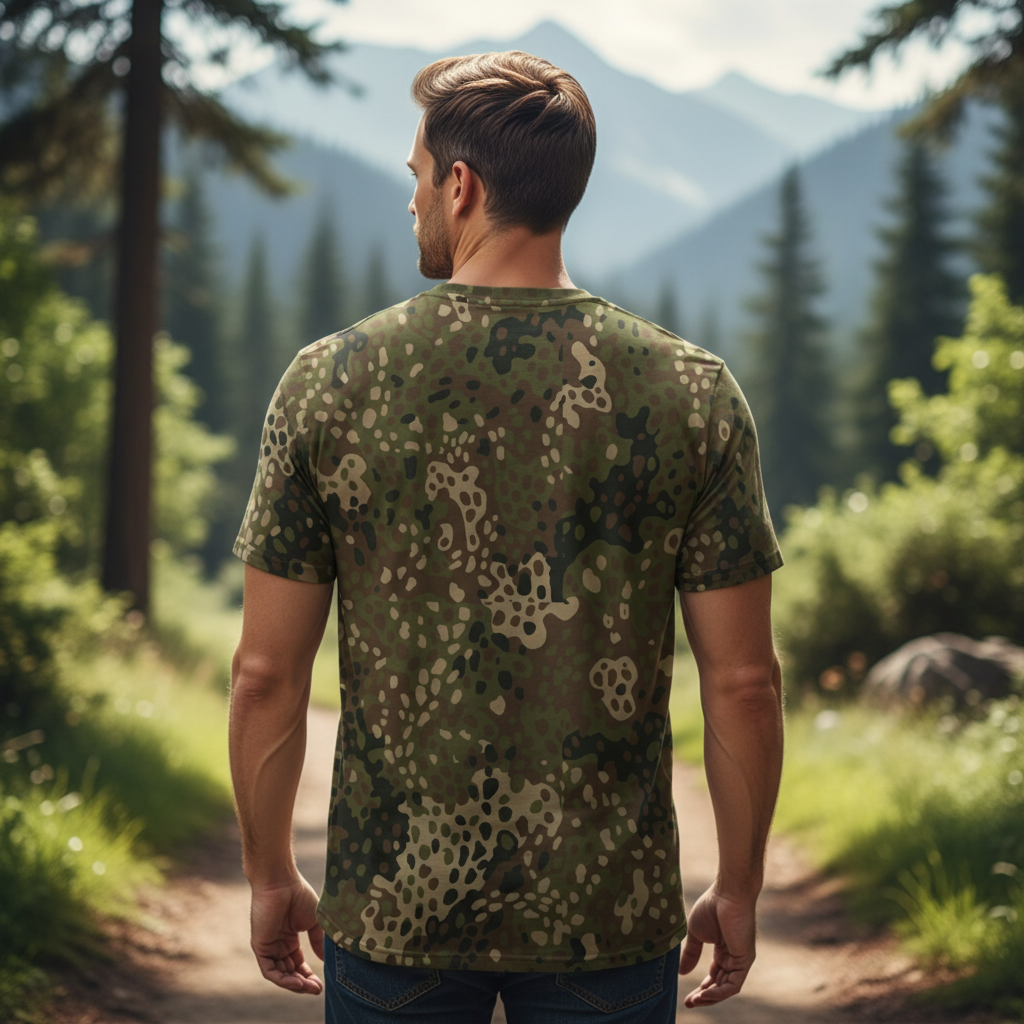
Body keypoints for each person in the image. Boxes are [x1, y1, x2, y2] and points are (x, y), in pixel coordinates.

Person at [229, 50, 784, 1024]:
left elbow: (266, 673)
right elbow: (743, 680)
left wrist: (270, 872)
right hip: (607, 917)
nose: (410, 205)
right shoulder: (690, 391)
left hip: (394, 908)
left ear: (460, 185)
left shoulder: (330, 381)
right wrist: (737, 888)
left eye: (413, 180)